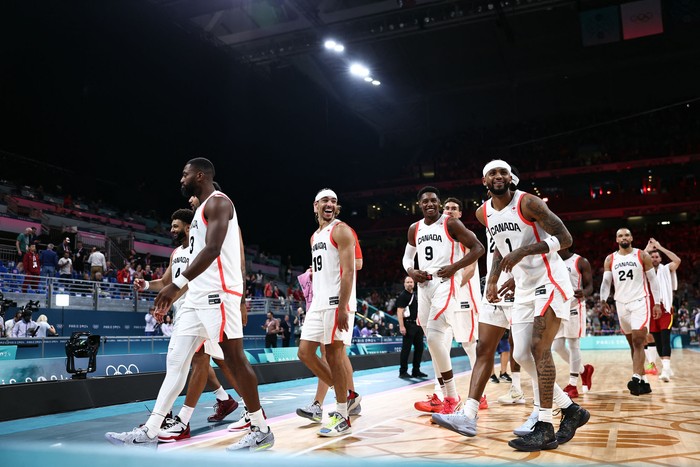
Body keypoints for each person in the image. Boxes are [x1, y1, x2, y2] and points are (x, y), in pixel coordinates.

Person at [107, 158, 273, 450]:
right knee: (177, 362)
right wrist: (175, 286)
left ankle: (260, 427)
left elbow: (213, 249)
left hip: (219, 293)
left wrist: (175, 285)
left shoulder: (220, 203)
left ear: (199, 175)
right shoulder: (198, 214)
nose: (180, 180)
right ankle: (151, 429)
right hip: (197, 296)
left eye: (184, 175)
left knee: (233, 358)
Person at [433, 159, 589, 452]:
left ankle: (544, 425)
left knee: (538, 349)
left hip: (550, 281)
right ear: (484, 181)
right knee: (521, 354)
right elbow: (498, 250)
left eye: (503, 172)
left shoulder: (528, 203)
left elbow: (566, 239)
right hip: (524, 287)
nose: (499, 176)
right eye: (492, 173)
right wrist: (493, 280)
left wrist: (525, 250)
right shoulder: (483, 213)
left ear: (510, 178)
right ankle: (571, 410)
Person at [132, 208, 241, 443]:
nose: (172, 229)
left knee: (202, 360)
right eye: (171, 226)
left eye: (176, 225)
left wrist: (168, 298)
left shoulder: (199, 248)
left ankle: (180, 418)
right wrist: (145, 285)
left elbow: (196, 281)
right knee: (191, 361)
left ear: (189, 227)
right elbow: (164, 282)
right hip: (183, 312)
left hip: (201, 309)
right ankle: (225, 401)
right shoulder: (176, 253)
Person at [402, 186, 485, 416]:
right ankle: (445, 396)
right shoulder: (414, 228)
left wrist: (455, 267)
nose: (430, 204)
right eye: (425, 201)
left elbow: (479, 248)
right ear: (420, 204)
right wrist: (411, 270)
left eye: (433, 201)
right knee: (433, 341)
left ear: (438, 203)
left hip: (444, 283)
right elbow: (407, 257)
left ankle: (451, 396)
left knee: (438, 337)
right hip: (423, 285)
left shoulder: (450, 223)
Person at [296, 188, 362, 437]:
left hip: (337, 302)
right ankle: (345, 395)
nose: (330, 204)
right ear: (315, 206)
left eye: (333, 201)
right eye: (325, 200)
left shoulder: (341, 229)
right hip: (318, 304)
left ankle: (342, 413)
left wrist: (343, 306)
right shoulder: (315, 236)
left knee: (334, 356)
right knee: (304, 352)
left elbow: (349, 271)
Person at [600, 228, 662, 396]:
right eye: (620, 235)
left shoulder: (642, 255)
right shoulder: (610, 259)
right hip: (621, 304)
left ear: (632, 238)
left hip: (639, 301)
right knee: (632, 345)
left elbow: (653, 280)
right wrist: (603, 300)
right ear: (616, 239)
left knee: (638, 340)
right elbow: (606, 283)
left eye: (626, 235)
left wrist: (657, 303)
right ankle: (644, 382)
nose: (624, 237)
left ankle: (635, 377)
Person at [551, 248, 595, 398]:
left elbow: (590, 286)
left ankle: (572, 384)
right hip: (557, 307)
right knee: (557, 346)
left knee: (573, 344)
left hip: (574, 306)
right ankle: (583, 370)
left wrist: (584, 292)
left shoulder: (580, 261)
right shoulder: (550, 260)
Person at [644, 238, 681, 382]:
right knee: (658, 341)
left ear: (660, 258)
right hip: (650, 310)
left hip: (665, 309)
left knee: (665, 339)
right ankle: (666, 367)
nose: (654, 258)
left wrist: (660, 247)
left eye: (657, 256)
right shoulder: (644, 271)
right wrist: (647, 249)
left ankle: (665, 369)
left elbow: (677, 260)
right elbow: (637, 258)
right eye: (652, 256)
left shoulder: (666, 269)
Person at [396, 276, 425, 379]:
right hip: (408, 325)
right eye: (407, 282)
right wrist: (402, 326)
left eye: (411, 282)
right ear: (404, 284)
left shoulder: (416, 295)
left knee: (419, 349)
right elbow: (399, 312)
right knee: (406, 349)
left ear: (414, 284)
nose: (409, 284)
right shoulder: (403, 296)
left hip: (418, 325)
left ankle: (416, 370)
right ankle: (403, 371)